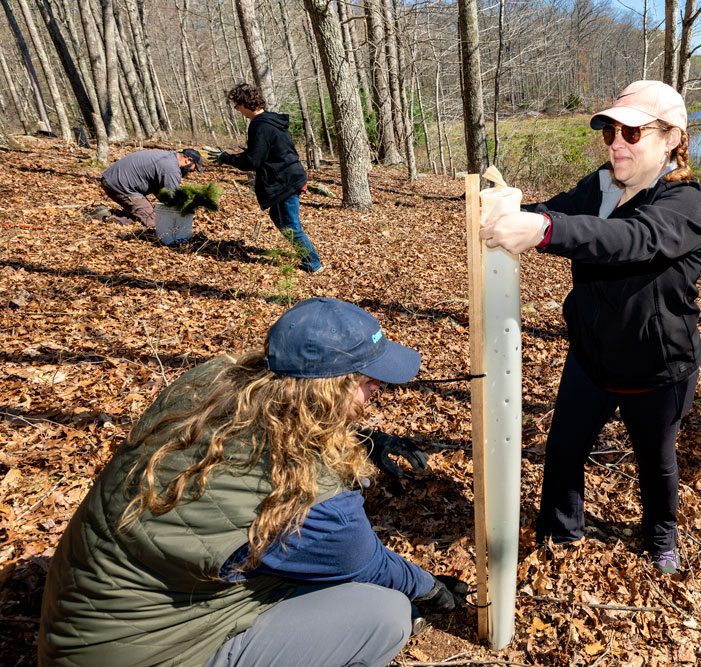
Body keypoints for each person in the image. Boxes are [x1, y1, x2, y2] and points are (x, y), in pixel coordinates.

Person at [39, 297, 469, 667]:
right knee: (386, 612)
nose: (377, 388)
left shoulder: (207, 386)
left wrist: (366, 441)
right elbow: (366, 562)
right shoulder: (306, 495)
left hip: (86, 623)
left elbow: (277, 433)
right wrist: (430, 589)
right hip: (149, 653)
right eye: (364, 380)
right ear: (325, 390)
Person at [479, 80, 701, 575]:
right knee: (563, 447)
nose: (617, 143)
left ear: (671, 138)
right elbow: (557, 209)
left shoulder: (685, 204)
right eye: (610, 133)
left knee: (656, 461)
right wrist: (509, 212)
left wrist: (546, 232)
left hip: (658, 367)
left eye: (631, 132)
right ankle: (561, 532)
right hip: (591, 356)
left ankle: (660, 536)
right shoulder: (599, 186)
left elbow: (633, 238)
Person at [215, 83, 323, 274]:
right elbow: (262, 154)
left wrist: (227, 159)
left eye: (237, 105)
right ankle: (307, 258)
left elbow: (253, 161)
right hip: (288, 176)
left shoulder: (260, 125)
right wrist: (234, 157)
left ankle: (313, 264)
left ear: (245, 103)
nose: (236, 109)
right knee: (278, 218)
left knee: (290, 225)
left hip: (285, 180)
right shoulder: (271, 121)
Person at [92, 148, 204, 228]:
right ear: (188, 160)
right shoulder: (171, 168)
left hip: (114, 181)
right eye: (192, 169)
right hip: (119, 186)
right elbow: (172, 196)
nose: (190, 173)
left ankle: (129, 215)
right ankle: (105, 217)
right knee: (154, 223)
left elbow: (160, 191)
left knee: (146, 214)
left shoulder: (168, 157)